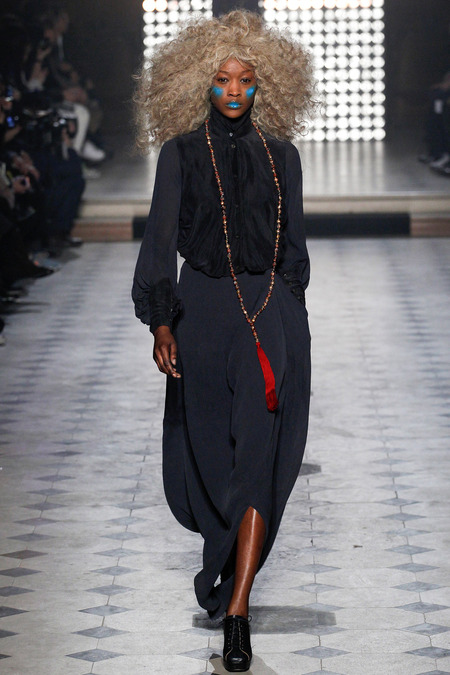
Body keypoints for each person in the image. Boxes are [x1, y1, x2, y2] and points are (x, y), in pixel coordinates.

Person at [132, 10, 316, 672]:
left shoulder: (283, 155)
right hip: (202, 314)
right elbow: (159, 242)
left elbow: (295, 248)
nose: (234, 90)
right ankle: (223, 564)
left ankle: (239, 610)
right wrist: (160, 320)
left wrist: (289, 320)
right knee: (213, 461)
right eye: (221, 79)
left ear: (266, 85)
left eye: (246, 79)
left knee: (258, 459)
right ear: (199, 83)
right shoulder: (181, 154)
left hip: (269, 315)